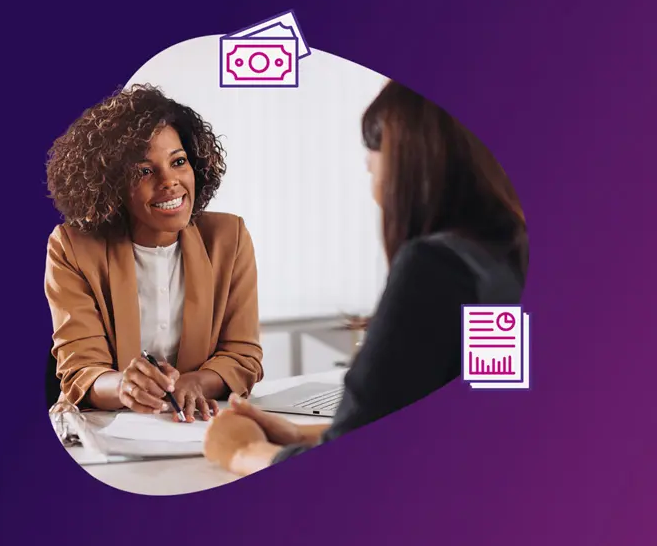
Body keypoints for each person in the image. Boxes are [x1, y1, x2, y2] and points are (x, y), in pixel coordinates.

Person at [203, 80, 528, 473]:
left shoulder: (437, 270)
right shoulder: (511, 254)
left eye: (372, 166)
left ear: (409, 167)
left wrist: (242, 452)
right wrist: (303, 434)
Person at [44, 84, 263, 422]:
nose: (170, 181)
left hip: (194, 427)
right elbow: (81, 369)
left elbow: (243, 355)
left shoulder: (228, 238)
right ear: (111, 184)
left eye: (178, 162)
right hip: (107, 432)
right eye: (144, 171)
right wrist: (123, 386)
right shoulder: (72, 247)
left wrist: (195, 383)